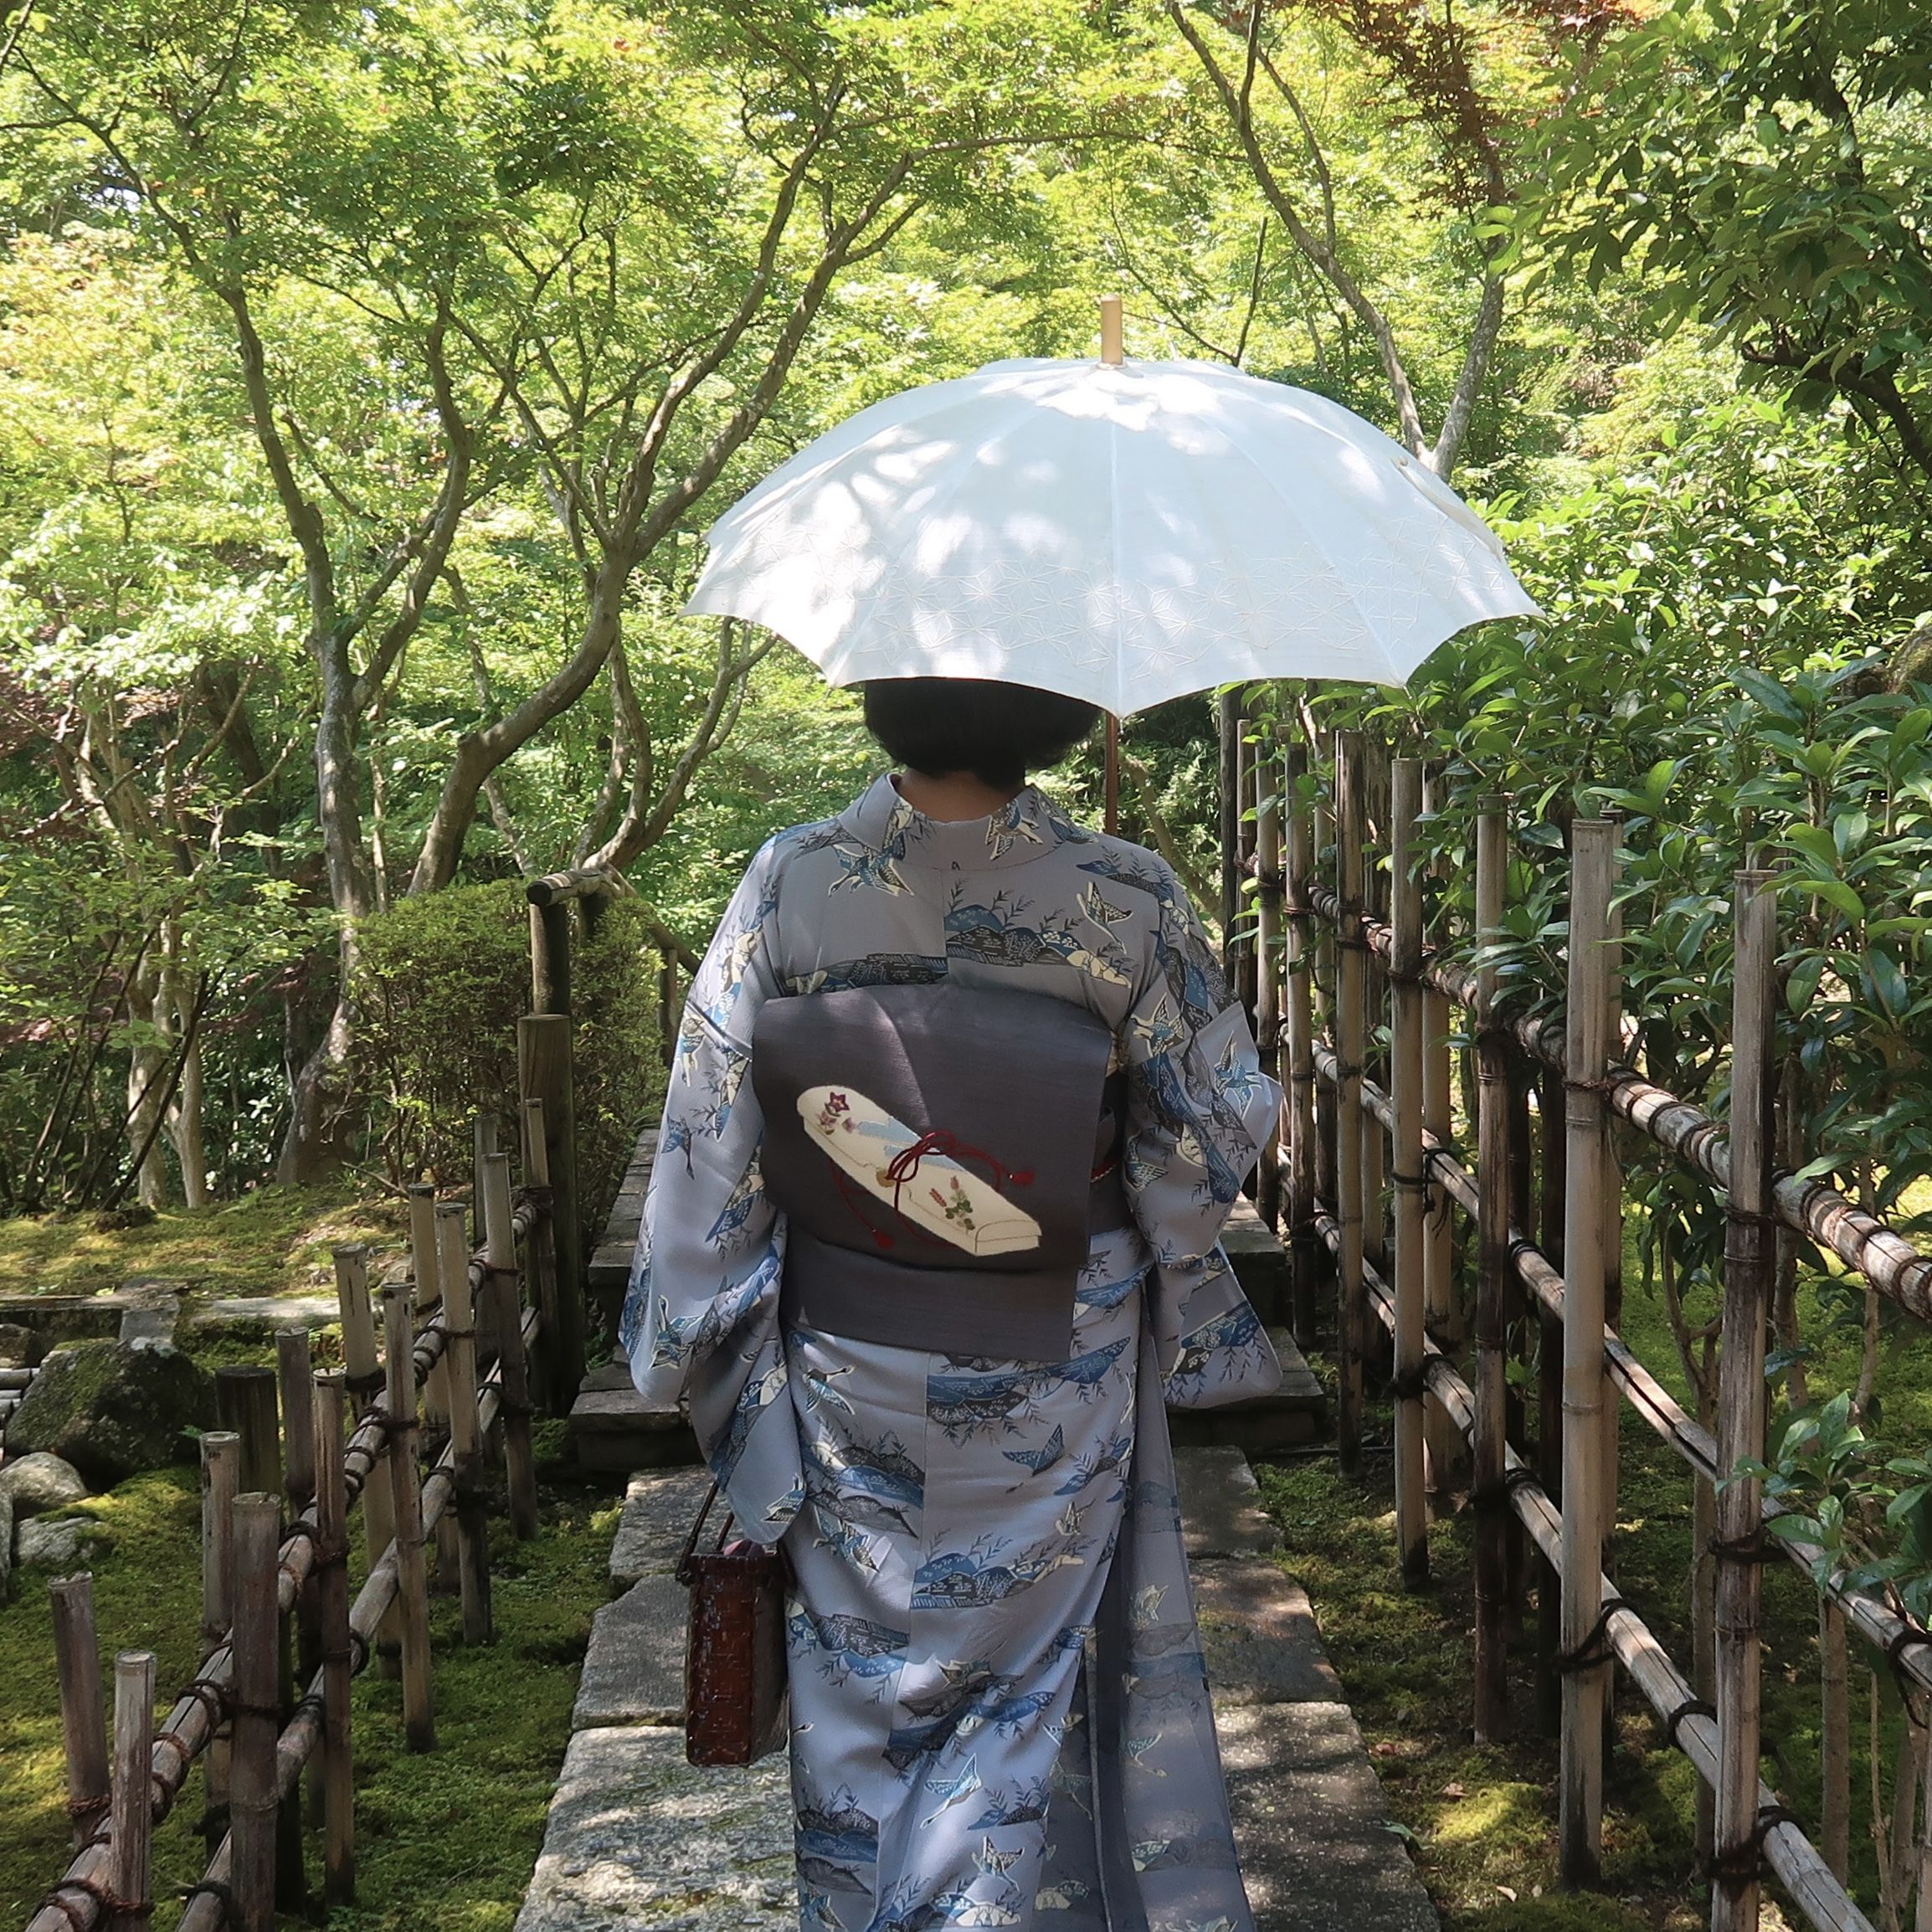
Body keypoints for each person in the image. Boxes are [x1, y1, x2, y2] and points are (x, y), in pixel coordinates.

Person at [623, 676, 1281, 1932]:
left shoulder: (793, 877)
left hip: (848, 1348)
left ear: (883, 700)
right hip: (1056, 1349)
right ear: (1056, 718)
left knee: (862, 1680)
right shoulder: (1127, 891)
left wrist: (697, 1333)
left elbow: (713, 1125)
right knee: (1017, 1687)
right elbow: (1207, 1131)